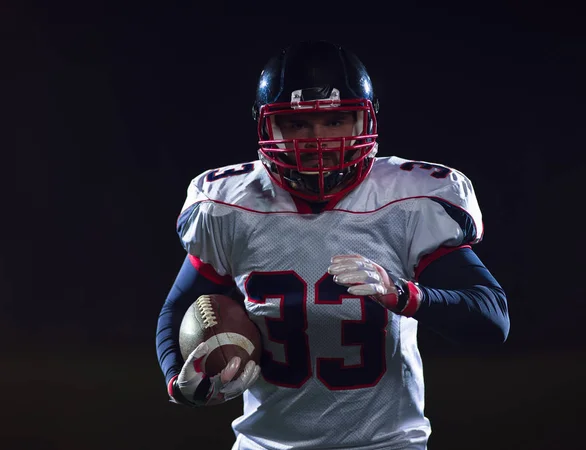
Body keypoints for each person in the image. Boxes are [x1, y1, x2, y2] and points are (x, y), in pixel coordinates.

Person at [156, 40, 510, 450]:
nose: (316, 139)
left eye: (337, 120)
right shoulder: (231, 205)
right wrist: (176, 379)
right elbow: (178, 307)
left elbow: (491, 319)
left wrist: (402, 295)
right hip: (264, 445)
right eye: (295, 124)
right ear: (266, 126)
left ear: (366, 121)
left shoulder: (406, 202)